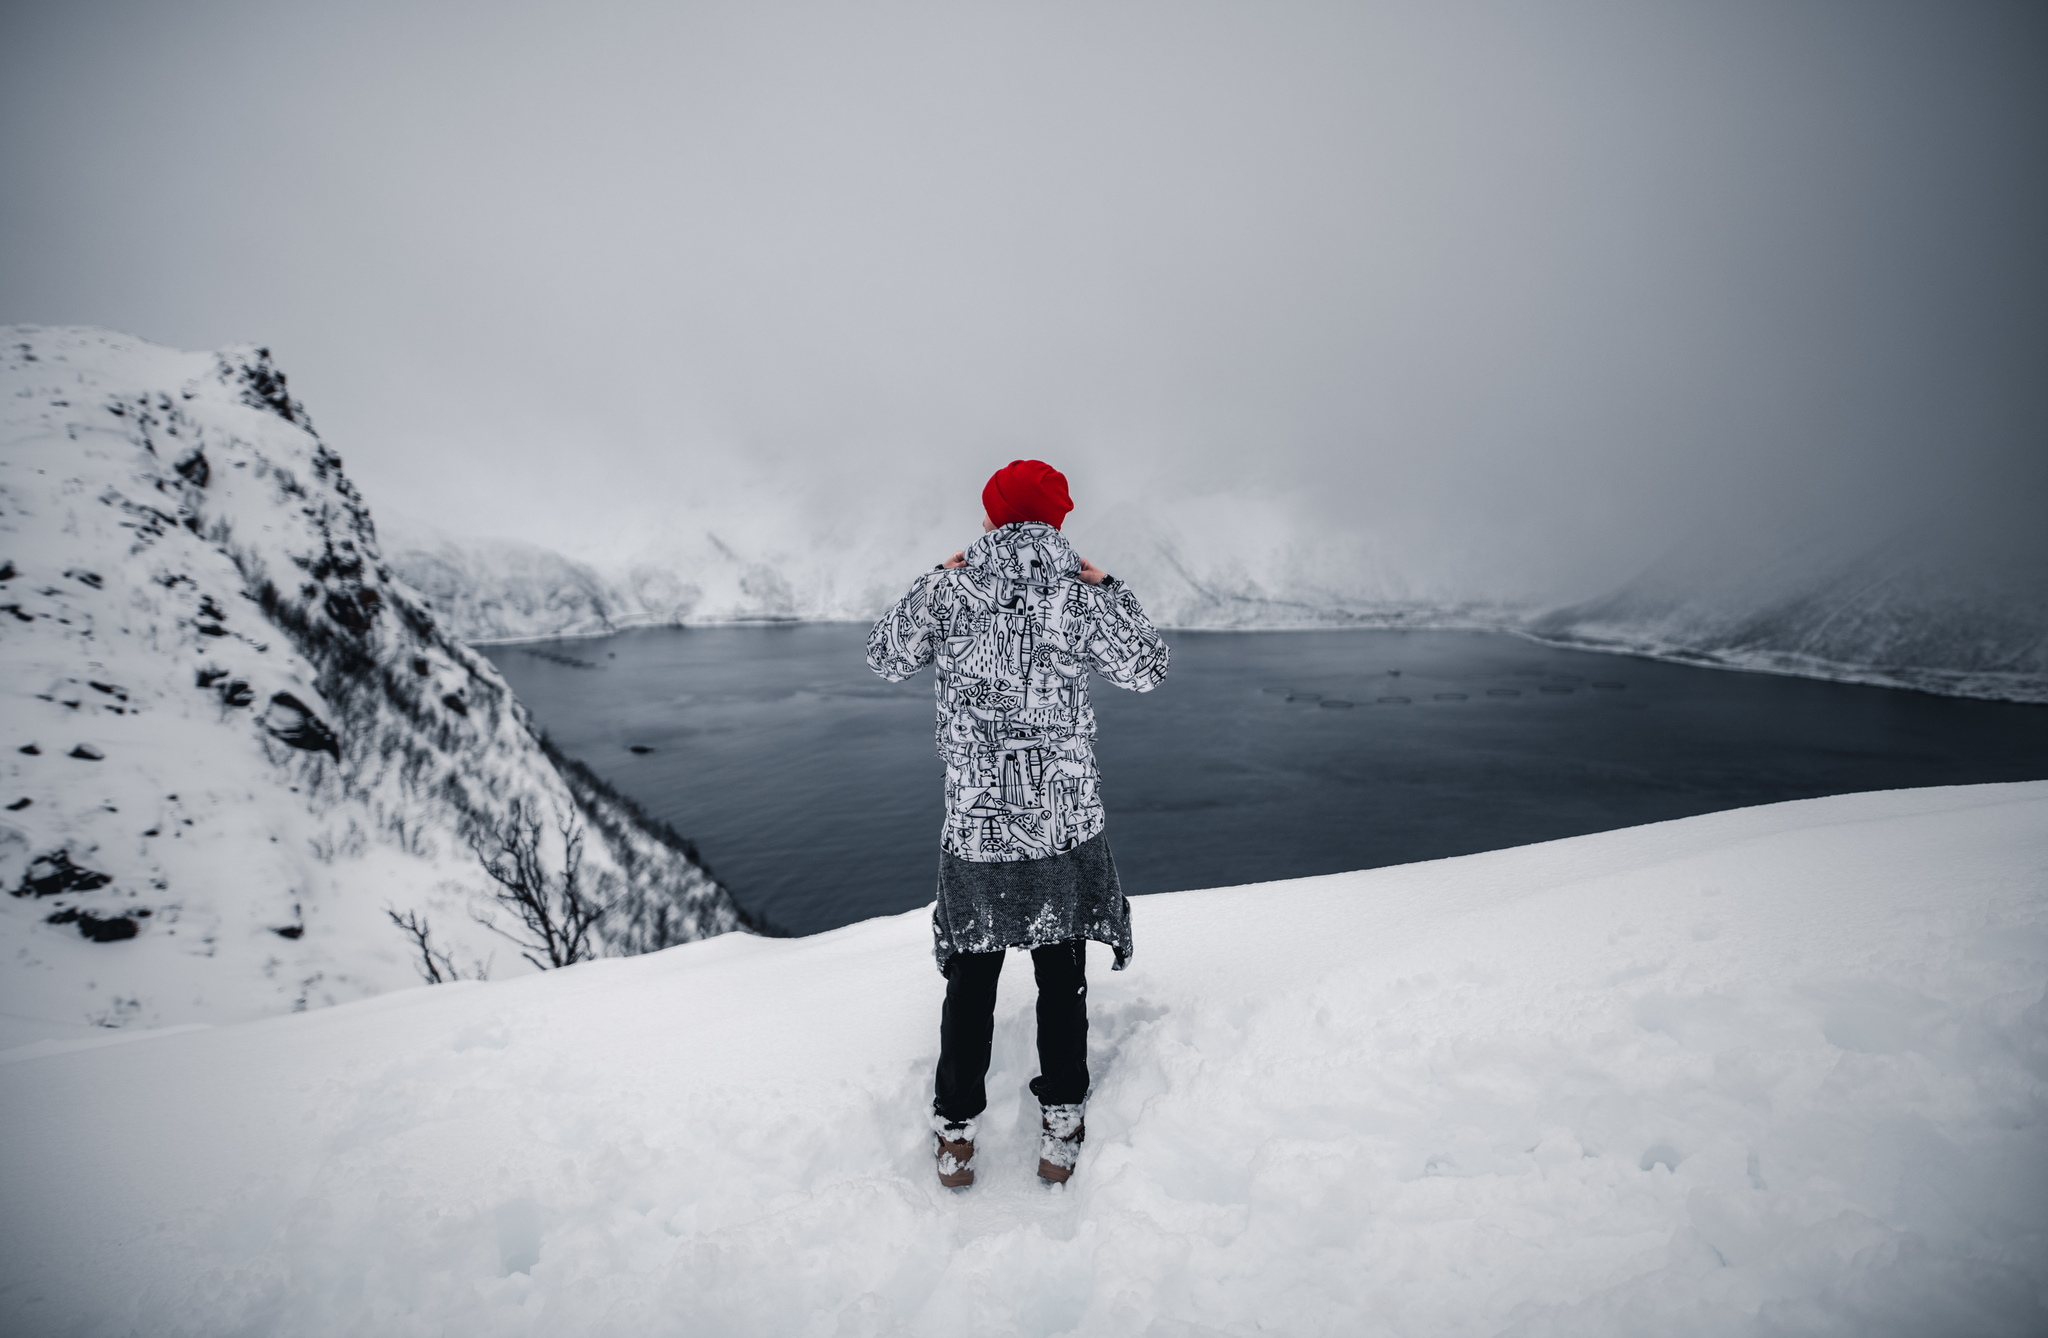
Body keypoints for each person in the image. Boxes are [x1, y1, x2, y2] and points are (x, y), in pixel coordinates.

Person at [866, 459, 1170, 1189]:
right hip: (1062, 825)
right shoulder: (1078, 595)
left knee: (972, 982)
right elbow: (1147, 668)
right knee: (1060, 979)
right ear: (1059, 517)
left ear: (990, 517)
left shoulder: (951, 589)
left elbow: (885, 656)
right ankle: (1060, 1133)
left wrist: (938, 570)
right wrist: (1107, 587)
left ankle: (955, 1136)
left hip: (978, 829)